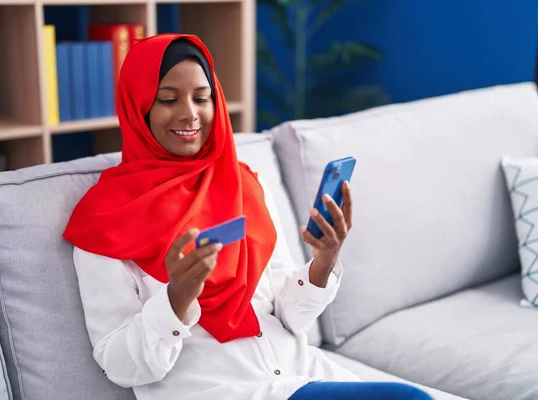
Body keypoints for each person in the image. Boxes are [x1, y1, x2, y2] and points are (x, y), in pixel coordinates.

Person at [63, 33, 433, 400]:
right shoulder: (104, 219)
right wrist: (175, 299)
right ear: (137, 106)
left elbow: (289, 318)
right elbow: (119, 365)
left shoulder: (245, 186)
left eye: (202, 98)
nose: (190, 113)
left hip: (302, 377)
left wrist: (323, 262)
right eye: (168, 99)